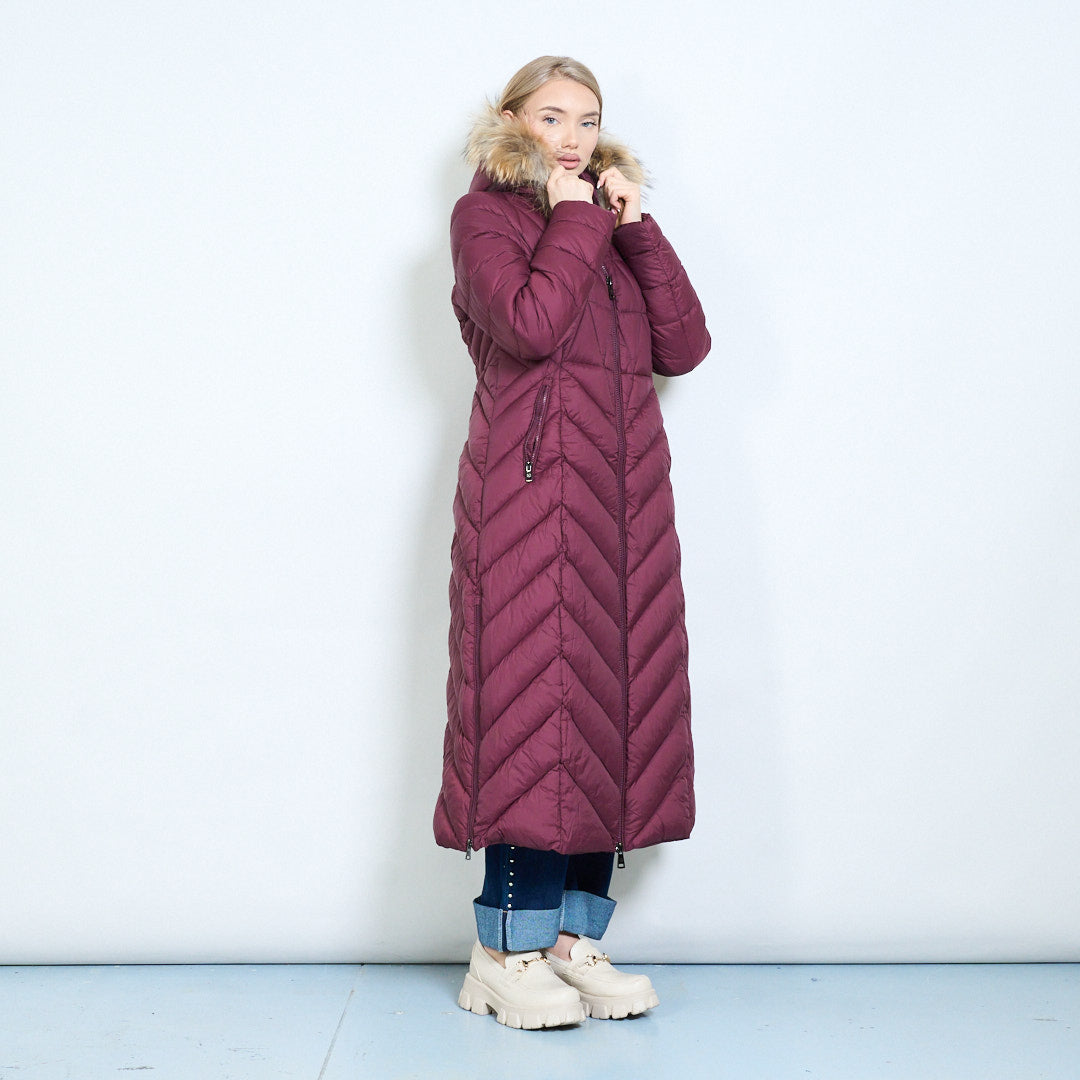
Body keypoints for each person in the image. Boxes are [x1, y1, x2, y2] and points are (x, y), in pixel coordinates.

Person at [433, 56, 711, 1029]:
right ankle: (503, 951)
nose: (573, 137)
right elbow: (531, 324)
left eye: (588, 120)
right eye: (552, 117)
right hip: (529, 502)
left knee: (613, 717)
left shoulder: (602, 217)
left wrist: (635, 226)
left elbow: (684, 347)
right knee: (533, 716)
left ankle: (569, 941)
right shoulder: (485, 219)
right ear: (512, 119)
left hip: (623, 507)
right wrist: (577, 220)